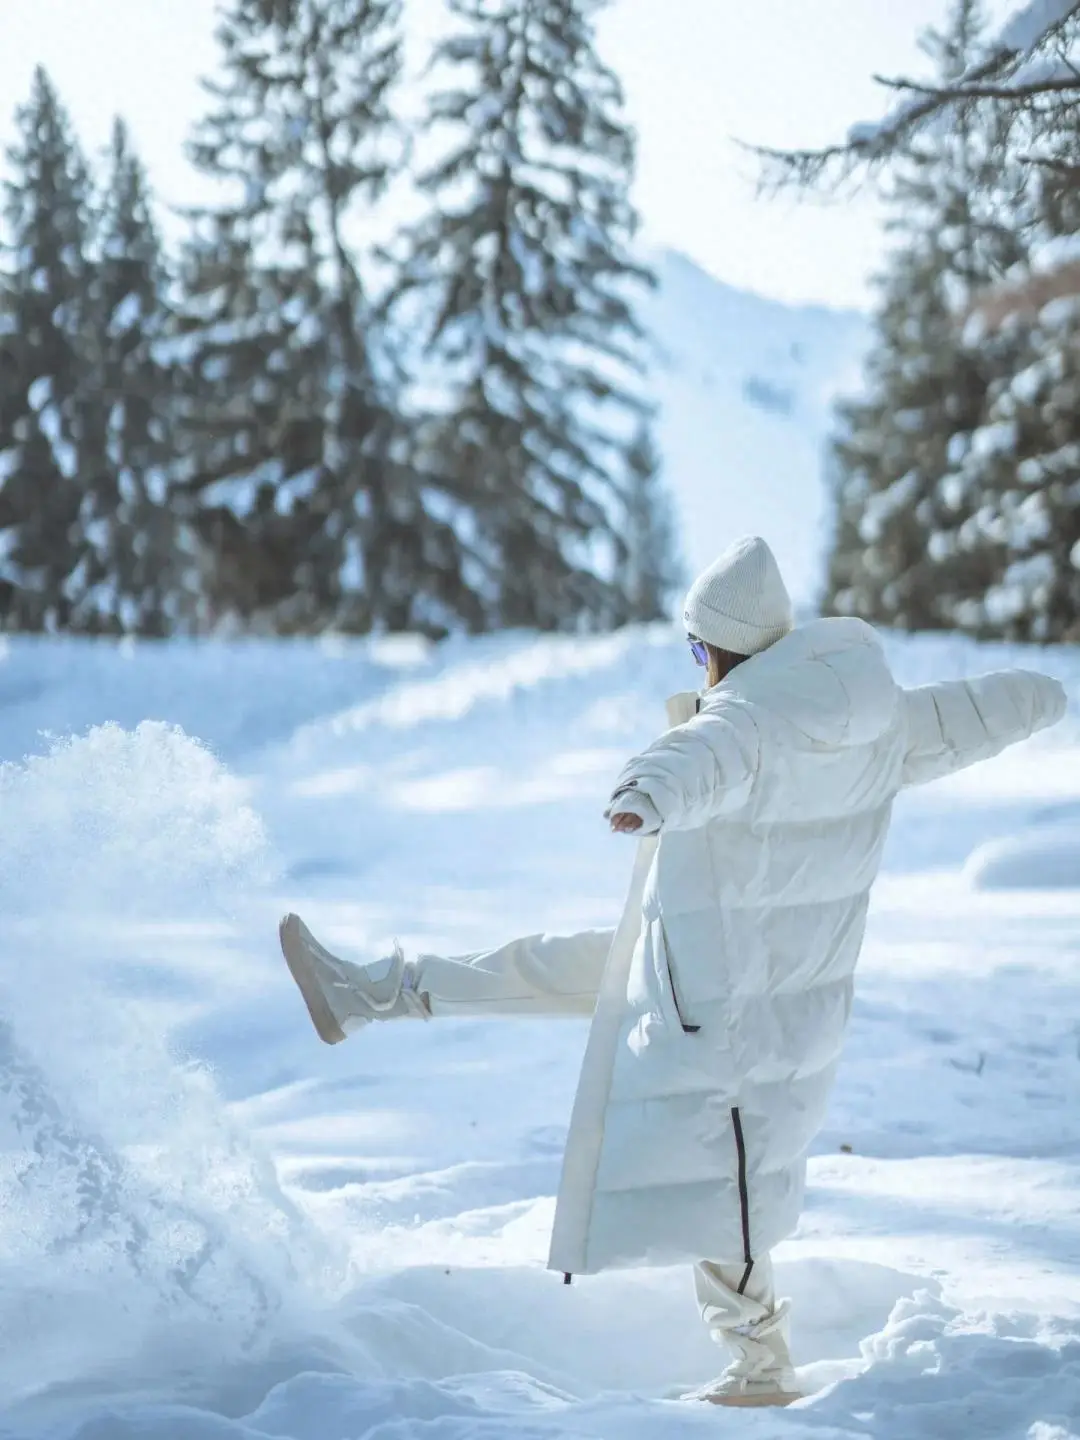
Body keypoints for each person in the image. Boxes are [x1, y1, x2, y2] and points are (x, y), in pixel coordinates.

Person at [279, 536, 1067, 1408]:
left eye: (699, 651)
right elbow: (970, 714)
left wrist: (641, 791)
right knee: (548, 969)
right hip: (717, 959)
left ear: (724, 647)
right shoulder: (873, 719)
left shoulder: (750, 717)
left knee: (728, 1177)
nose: (699, 668)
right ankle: (370, 990)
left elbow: (699, 755)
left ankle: (761, 1367)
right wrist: (1040, 695)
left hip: (722, 995)